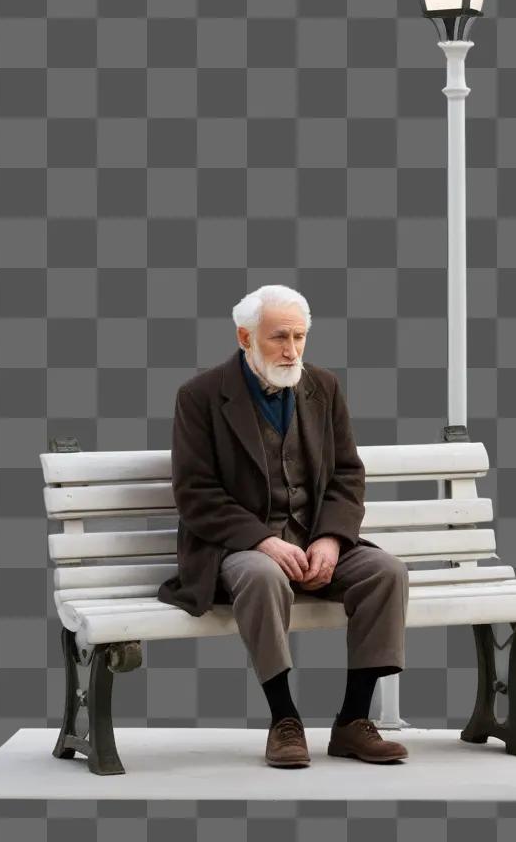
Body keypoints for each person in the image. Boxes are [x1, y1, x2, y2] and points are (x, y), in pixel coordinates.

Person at [157, 284, 410, 768]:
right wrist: (263, 540)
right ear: (244, 337)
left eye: (299, 336)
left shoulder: (324, 387)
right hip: (237, 547)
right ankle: (284, 720)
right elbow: (195, 493)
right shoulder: (200, 397)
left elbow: (346, 475)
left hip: (316, 538)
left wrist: (333, 540)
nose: (291, 349)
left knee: (385, 572)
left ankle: (353, 722)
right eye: (278, 337)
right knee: (263, 574)